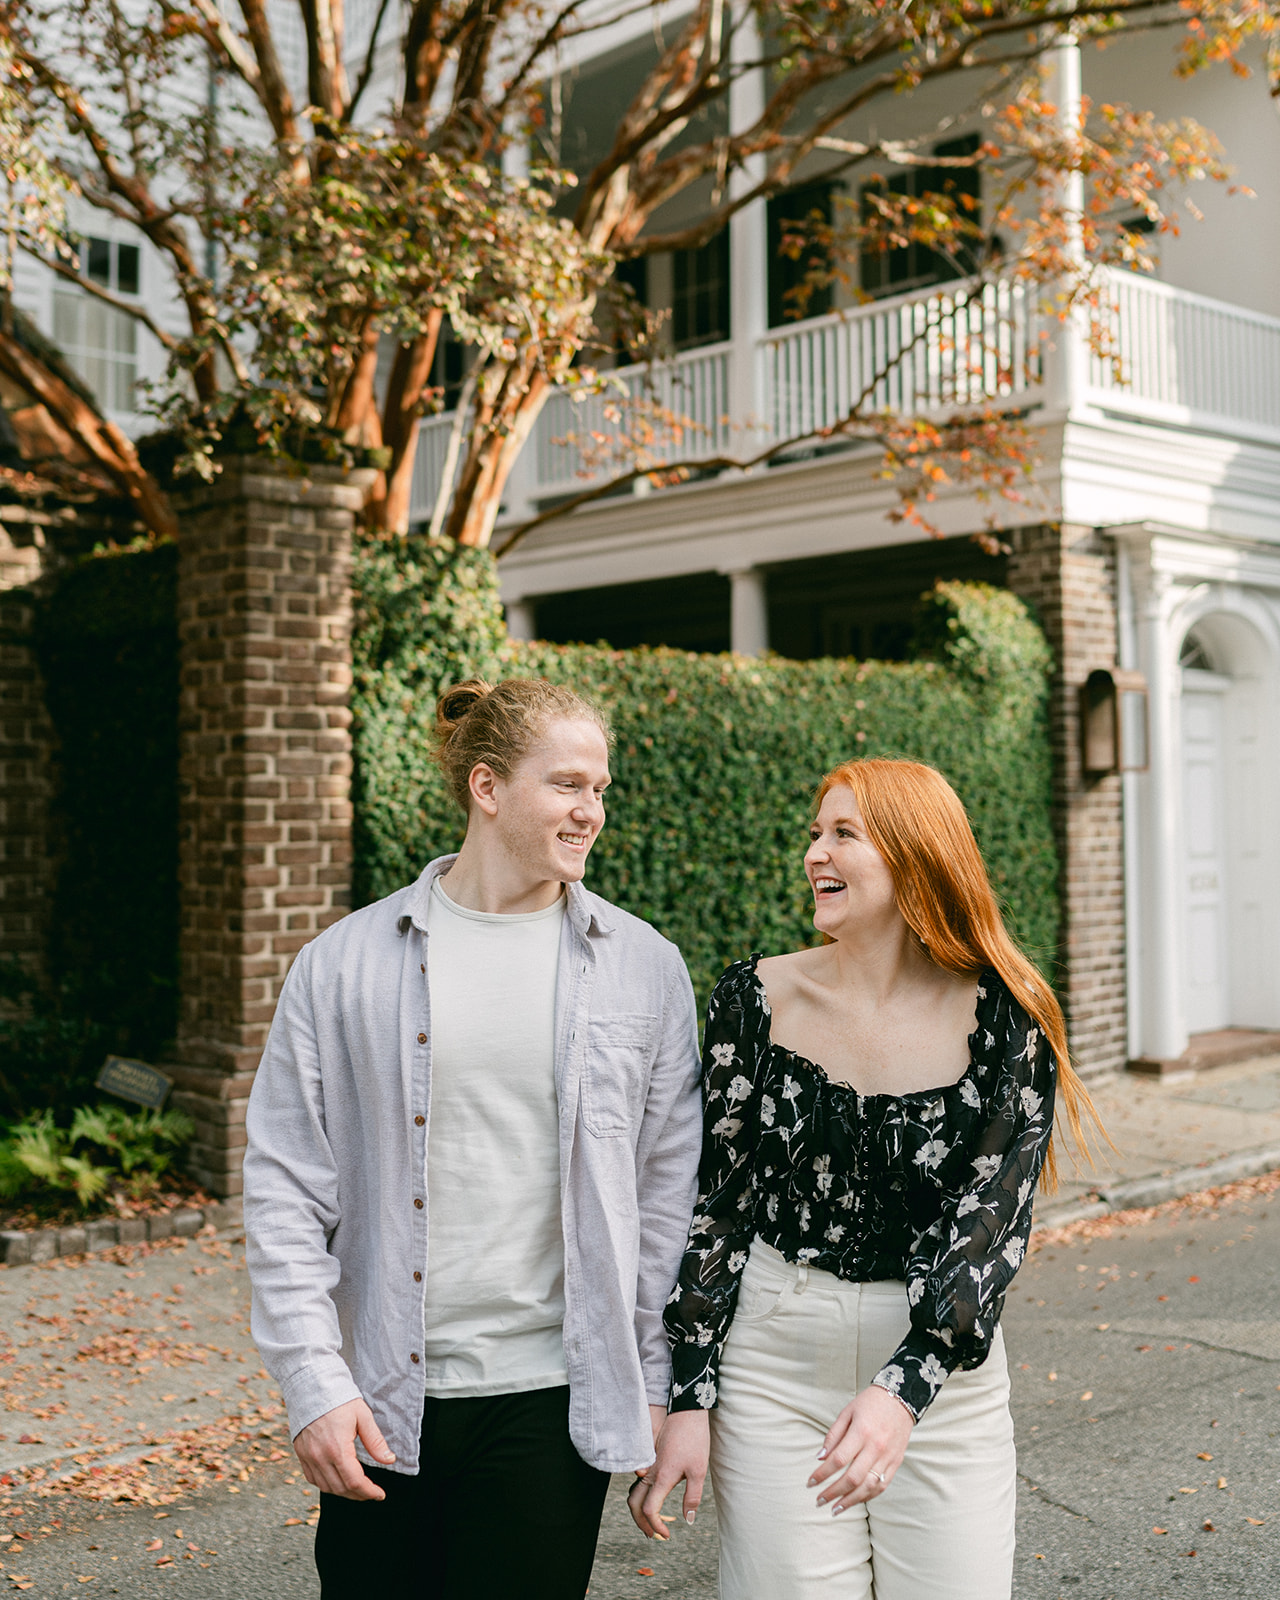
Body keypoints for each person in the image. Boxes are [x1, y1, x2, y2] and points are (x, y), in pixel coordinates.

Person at [243, 677, 703, 1600]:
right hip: (381, 1397)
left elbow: (666, 1200)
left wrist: (664, 1382)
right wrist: (312, 1383)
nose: (593, 811)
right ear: (488, 789)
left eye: (601, 789)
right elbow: (285, 1190)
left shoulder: (644, 970)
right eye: (569, 785)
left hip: (549, 1402)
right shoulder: (342, 967)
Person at [632, 756, 1101, 1599]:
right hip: (772, 1363)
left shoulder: (1008, 1016)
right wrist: (690, 1394)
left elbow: (992, 1224)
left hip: (941, 1382)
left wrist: (906, 1386)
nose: (816, 852)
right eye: (816, 833)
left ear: (916, 855)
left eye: (844, 834)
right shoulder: (755, 998)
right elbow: (720, 1204)